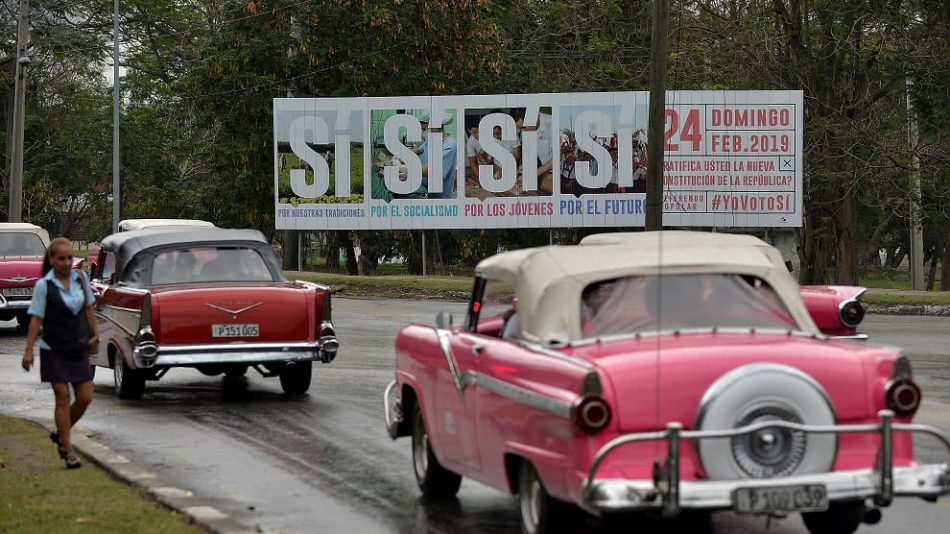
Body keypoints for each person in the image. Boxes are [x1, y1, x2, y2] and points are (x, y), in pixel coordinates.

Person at [21, 237, 99, 469]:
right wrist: (28, 352)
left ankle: (61, 431)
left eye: (69, 258)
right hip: (53, 349)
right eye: (61, 258)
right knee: (62, 397)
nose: (66, 262)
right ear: (52, 260)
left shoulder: (81, 278)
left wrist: (95, 335)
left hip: (78, 346)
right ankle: (67, 449)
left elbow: (89, 308)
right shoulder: (44, 285)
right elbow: (36, 318)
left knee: (85, 396)